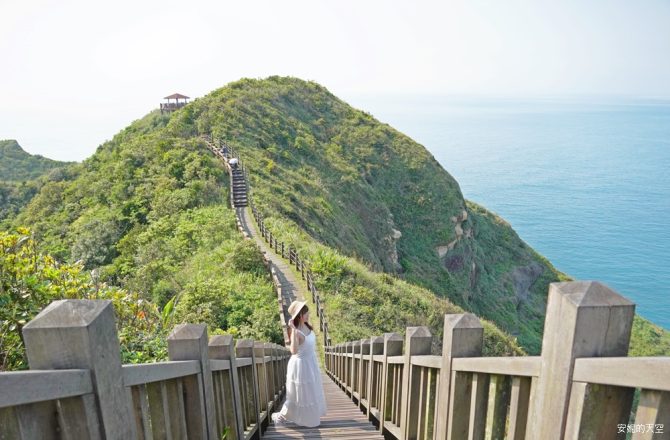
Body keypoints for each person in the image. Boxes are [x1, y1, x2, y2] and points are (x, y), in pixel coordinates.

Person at [271, 300, 327, 427]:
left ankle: (306, 417)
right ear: (299, 316)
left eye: (307, 312)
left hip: (310, 363)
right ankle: (281, 416)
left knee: (309, 392)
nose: (308, 315)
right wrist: (293, 329)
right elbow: (293, 351)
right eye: (306, 313)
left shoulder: (307, 326)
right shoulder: (297, 332)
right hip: (300, 366)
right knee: (297, 395)